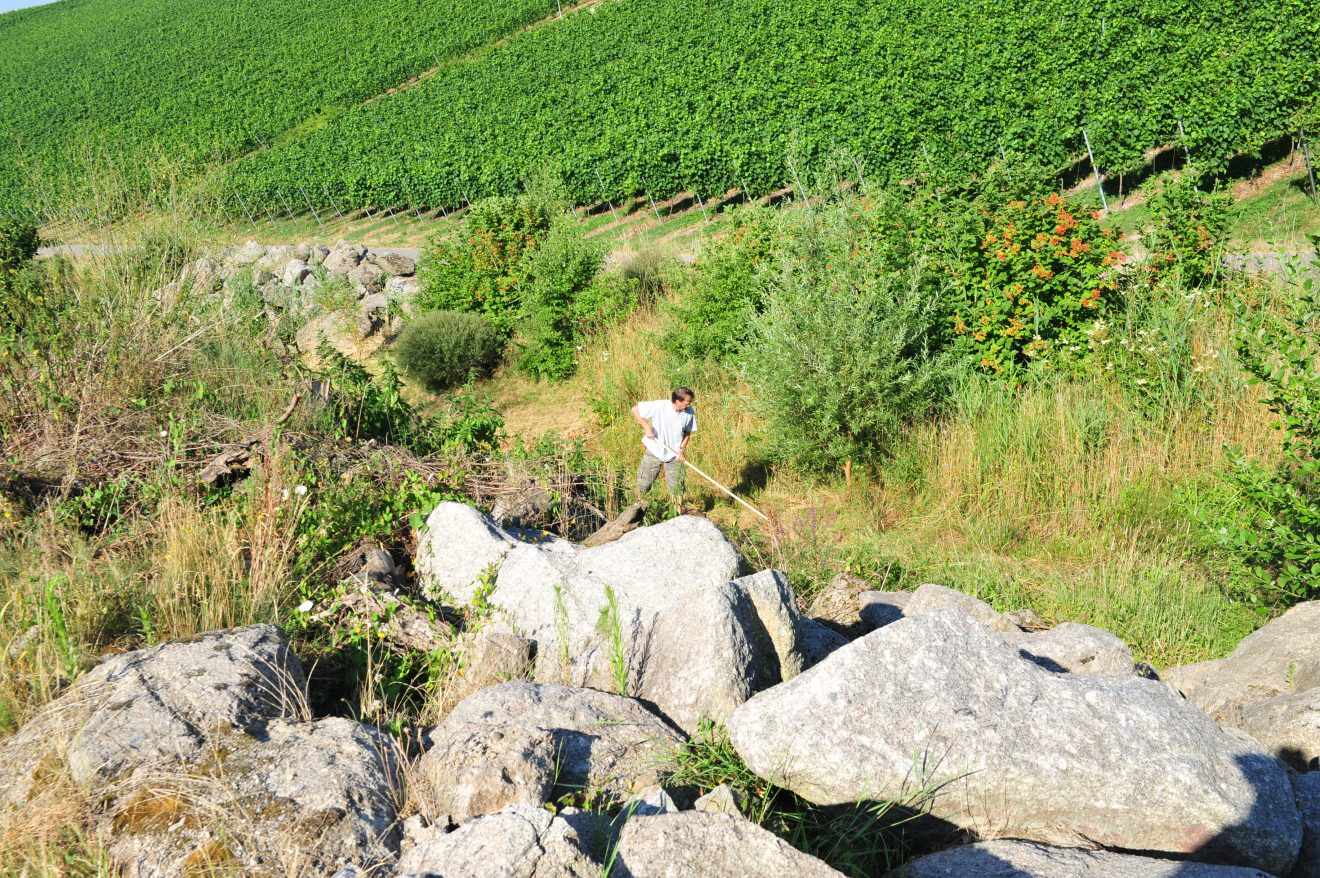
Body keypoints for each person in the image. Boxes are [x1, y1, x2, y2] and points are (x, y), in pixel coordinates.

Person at [631, 387, 697, 511]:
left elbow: (687, 433)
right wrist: (646, 427)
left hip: (675, 455)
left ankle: (677, 515)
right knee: (643, 483)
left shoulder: (689, 412)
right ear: (677, 401)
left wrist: (681, 449)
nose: (689, 405)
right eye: (687, 403)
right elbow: (635, 409)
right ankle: (639, 512)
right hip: (654, 449)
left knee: (677, 487)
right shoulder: (660, 406)